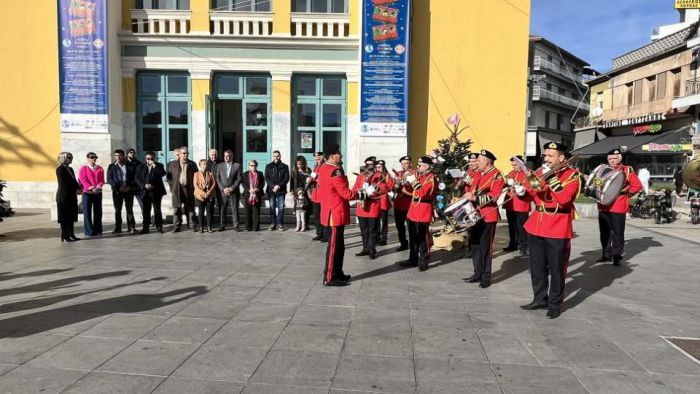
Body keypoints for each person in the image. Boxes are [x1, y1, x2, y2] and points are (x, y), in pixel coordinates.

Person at [518, 142, 581, 319]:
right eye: (545, 155)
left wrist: (551, 179)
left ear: (561, 158)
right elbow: (530, 193)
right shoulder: (540, 172)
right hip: (536, 224)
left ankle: (554, 304)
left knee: (557, 269)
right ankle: (539, 299)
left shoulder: (572, 176)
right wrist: (522, 191)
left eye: (550, 156)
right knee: (537, 267)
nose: (545, 159)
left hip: (557, 227)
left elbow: (565, 199)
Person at [317, 145, 359, 286]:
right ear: (332, 156)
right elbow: (346, 193)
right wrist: (364, 193)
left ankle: (338, 273)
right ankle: (328, 277)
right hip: (334, 213)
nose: (341, 156)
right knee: (334, 246)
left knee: (340, 246)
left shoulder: (323, 168)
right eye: (339, 154)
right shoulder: (334, 171)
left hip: (332, 211)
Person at [463, 150, 504, 288]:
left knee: (485, 247)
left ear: (487, 162)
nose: (476, 163)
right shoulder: (479, 174)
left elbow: (494, 195)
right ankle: (477, 272)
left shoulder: (496, 175)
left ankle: (486, 276)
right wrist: (467, 196)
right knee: (475, 245)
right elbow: (473, 190)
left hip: (488, 215)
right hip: (474, 214)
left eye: (479, 161)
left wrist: (475, 198)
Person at [596, 147, 642, 265]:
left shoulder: (627, 170)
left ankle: (616, 256)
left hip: (618, 205)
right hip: (604, 205)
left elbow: (637, 186)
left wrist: (626, 194)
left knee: (618, 232)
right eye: (610, 158)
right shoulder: (602, 170)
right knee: (604, 232)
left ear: (620, 158)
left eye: (615, 158)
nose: (612, 160)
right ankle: (606, 254)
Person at [399, 156, 437, 271]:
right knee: (412, 237)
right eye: (418, 165)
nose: (418, 167)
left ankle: (423, 261)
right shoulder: (420, 176)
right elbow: (412, 191)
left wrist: (413, 181)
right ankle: (413, 259)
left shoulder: (431, 179)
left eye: (420, 165)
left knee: (423, 238)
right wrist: (404, 182)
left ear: (428, 166)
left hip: (423, 210)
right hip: (413, 210)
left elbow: (421, 192)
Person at [352, 157, 382, 260]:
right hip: (362, 206)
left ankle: (372, 250)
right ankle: (365, 248)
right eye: (367, 164)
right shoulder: (360, 176)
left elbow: (382, 189)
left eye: (371, 164)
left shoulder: (378, 175)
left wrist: (372, 191)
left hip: (373, 207)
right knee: (364, 230)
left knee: (372, 230)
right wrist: (359, 190)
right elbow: (355, 187)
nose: (368, 166)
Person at [503, 155, 532, 256]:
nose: (513, 166)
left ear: (521, 164)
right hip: (510, 203)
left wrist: (516, 183)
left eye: (515, 164)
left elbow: (529, 187)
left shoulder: (527, 173)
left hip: (521, 204)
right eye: (512, 164)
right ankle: (513, 243)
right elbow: (504, 183)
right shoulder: (511, 173)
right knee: (512, 225)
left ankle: (524, 246)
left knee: (522, 226)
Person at [166, 146, 197, 232]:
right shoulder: (173, 164)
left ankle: (192, 225)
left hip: (189, 189)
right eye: (184, 153)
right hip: (177, 189)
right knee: (177, 208)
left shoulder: (192, 164)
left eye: (187, 153)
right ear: (179, 154)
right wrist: (172, 186)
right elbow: (168, 177)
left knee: (190, 208)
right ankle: (176, 226)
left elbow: (196, 176)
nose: (185, 155)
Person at [135, 151, 166, 234]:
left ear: (154, 158)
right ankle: (145, 227)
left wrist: (154, 165)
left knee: (157, 209)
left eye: (151, 158)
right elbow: (137, 177)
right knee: (146, 210)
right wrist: (144, 185)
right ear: (145, 158)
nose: (149, 160)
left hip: (156, 191)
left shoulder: (159, 165)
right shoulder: (141, 166)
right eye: (148, 158)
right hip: (145, 191)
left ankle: (159, 227)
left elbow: (162, 173)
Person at [107, 149, 137, 234]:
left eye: (120, 155)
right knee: (117, 210)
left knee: (129, 209)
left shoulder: (129, 165)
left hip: (128, 190)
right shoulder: (112, 166)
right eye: (116, 155)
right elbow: (109, 179)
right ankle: (118, 227)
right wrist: (117, 187)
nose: (118, 157)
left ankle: (131, 227)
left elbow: (134, 177)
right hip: (117, 191)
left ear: (124, 156)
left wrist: (130, 187)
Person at [55, 152, 81, 242]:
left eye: (71, 157)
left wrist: (78, 187)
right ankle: (65, 235)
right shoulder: (60, 169)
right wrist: (74, 189)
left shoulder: (71, 169)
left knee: (71, 216)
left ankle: (71, 234)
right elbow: (63, 184)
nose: (71, 159)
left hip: (71, 196)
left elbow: (73, 181)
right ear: (63, 158)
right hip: (63, 196)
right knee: (64, 217)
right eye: (69, 157)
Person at [78, 152, 105, 237]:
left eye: (95, 157)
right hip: (87, 193)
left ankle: (98, 230)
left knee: (98, 212)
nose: (94, 159)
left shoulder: (100, 168)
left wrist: (98, 186)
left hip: (97, 192)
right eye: (92, 157)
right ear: (88, 158)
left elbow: (102, 180)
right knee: (87, 212)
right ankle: (89, 231)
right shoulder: (84, 168)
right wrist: (91, 187)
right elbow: (83, 179)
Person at [215, 150, 242, 232]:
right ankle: (222, 225)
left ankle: (236, 225)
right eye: (225, 156)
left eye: (228, 156)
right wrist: (223, 188)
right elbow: (218, 178)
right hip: (223, 191)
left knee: (234, 208)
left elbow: (239, 178)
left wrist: (232, 188)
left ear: (232, 156)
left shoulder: (237, 166)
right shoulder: (220, 165)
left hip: (234, 191)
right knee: (223, 208)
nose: (227, 157)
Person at [265, 150, 290, 231]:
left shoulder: (285, 166)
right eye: (275, 156)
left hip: (281, 190)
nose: (276, 157)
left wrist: (278, 186)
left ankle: (280, 224)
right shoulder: (268, 166)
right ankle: (273, 223)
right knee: (272, 207)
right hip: (271, 190)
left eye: (278, 156)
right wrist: (273, 186)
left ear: (280, 156)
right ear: (273, 156)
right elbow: (266, 178)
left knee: (281, 208)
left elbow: (286, 178)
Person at [393, 156, 413, 251]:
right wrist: (395, 185)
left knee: (411, 227)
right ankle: (403, 243)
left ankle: (413, 245)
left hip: (409, 204)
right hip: (398, 204)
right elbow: (393, 188)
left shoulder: (414, 173)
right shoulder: (399, 174)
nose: (404, 165)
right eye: (402, 164)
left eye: (406, 163)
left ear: (410, 164)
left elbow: (416, 189)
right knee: (399, 226)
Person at [194, 159, 217, 233]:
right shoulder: (196, 174)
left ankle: (209, 227)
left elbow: (214, 183)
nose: (205, 165)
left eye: (206, 164)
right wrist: (203, 193)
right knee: (201, 212)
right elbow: (195, 185)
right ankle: (201, 227)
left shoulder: (210, 173)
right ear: (200, 165)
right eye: (203, 164)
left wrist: (209, 192)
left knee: (209, 212)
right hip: (200, 195)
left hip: (209, 195)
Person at [241, 160, 265, 231]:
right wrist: (249, 189)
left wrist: (257, 189)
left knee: (256, 211)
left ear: (256, 166)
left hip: (257, 194)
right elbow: (243, 183)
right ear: (249, 166)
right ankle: (248, 227)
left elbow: (262, 183)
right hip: (248, 194)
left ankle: (256, 227)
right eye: (252, 165)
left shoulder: (260, 173)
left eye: (255, 165)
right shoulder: (245, 174)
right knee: (248, 211)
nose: (253, 167)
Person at [309, 152, 326, 241]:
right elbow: (313, 178)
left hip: (322, 195)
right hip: (315, 194)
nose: (316, 159)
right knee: (316, 215)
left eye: (318, 157)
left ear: (322, 157)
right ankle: (319, 233)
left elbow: (324, 179)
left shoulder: (325, 166)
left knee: (323, 215)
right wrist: (310, 180)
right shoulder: (315, 167)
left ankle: (325, 235)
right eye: (315, 158)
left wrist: (316, 179)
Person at [375, 159, 393, 246]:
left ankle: (384, 238)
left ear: (383, 167)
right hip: (375, 200)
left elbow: (390, 187)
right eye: (377, 167)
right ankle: (377, 237)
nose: (378, 169)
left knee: (384, 221)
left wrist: (381, 186)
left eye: (380, 167)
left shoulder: (387, 176)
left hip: (383, 200)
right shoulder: (374, 175)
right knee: (376, 220)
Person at [291, 156, 310, 232]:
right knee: (298, 208)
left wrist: (305, 174)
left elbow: (310, 179)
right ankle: (298, 225)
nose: (300, 166)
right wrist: (292, 192)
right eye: (298, 164)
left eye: (301, 164)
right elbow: (292, 182)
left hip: (305, 192)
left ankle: (305, 225)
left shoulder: (307, 170)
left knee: (305, 208)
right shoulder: (293, 171)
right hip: (297, 192)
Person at [126, 148, 144, 214]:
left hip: (137, 187)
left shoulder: (139, 163)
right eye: (130, 152)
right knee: (129, 206)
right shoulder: (124, 163)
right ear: (127, 154)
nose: (132, 154)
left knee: (142, 204)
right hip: (128, 187)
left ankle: (146, 221)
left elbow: (141, 175)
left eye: (133, 152)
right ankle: (131, 223)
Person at [207, 148, 223, 222]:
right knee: (210, 203)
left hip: (220, 185)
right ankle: (210, 220)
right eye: (212, 155)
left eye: (215, 155)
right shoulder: (207, 163)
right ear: (209, 155)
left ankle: (222, 220)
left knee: (221, 203)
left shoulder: (221, 163)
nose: (214, 156)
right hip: (210, 186)